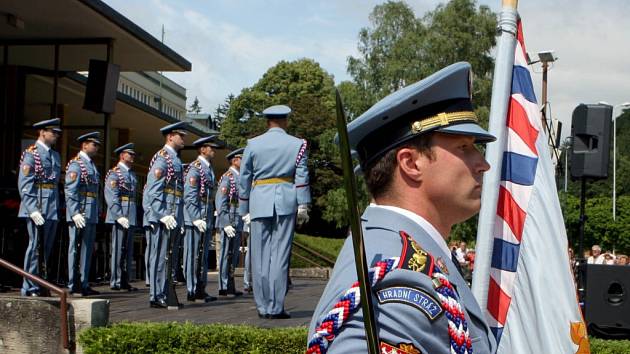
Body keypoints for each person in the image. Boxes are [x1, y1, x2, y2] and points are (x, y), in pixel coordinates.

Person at [307, 62, 497, 353]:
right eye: (464, 147)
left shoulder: (405, 253)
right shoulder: (397, 281)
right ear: (410, 163)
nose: (483, 164)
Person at [238, 104, 311, 319]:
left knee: (259, 256)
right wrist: (303, 204)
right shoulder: (298, 144)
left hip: (259, 199)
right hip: (286, 200)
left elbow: (244, 177)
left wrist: (244, 208)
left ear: (267, 121)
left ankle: (262, 307)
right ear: (285, 120)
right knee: (280, 255)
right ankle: (276, 306)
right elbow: (302, 175)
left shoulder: (253, 144)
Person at [143, 122, 188, 308]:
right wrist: (161, 214)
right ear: (170, 136)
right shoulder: (163, 158)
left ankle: (164, 291)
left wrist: (181, 218)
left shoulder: (174, 159)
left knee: (169, 256)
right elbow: (153, 190)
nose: (183, 139)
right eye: (180, 135)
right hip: (164, 214)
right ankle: (156, 294)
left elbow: (178, 191)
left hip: (174, 212)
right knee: (160, 255)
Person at [18, 118, 62, 296]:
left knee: (46, 248)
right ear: (42, 132)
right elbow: (25, 183)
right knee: (35, 246)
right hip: (38, 204)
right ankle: (29, 286)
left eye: (57, 133)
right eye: (53, 132)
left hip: (51, 205)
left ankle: (41, 282)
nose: (56, 136)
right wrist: (32, 209)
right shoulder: (32, 153)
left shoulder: (55, 155)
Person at [183, 136, 220, 303]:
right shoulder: (195, 168)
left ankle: (201, 288)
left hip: (206, 216)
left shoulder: (208, 168)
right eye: (210, 148)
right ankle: (192, 289)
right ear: (203, 149)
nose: (213, 150)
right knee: (193, 255)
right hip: (196, 218)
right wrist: (196, 217)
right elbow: (190, 196)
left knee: (203, 255)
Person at [65, 132, 101, 296]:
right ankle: (74, 283)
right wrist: (74, 213)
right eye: (94, 144)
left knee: (87, 250)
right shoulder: (77, 164)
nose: (96, 147)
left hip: (90, 210)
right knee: (76, 248)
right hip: (80, 211)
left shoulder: (91, 164)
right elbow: (71, 190)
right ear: (84, 145)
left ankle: (84, 282)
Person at [105, 143, 138, 291]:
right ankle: (116, 281)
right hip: (120, 214)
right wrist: (118, 215)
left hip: (130, 213)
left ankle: (125, 279)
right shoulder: (115, 173)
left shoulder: (131, 174)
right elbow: (112, 196)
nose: (132, 157)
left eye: (133, 154)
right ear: (122, 155)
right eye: (129, 154)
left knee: (128, 249)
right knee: (118, 248)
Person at [215, 147, 245, 297]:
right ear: (234, 161)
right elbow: (221, 201)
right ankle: (223, 285)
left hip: (237, 219)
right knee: (226, 253)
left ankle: (231, 283)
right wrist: (225, 222)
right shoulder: (228, 177)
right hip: (229, 219)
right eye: (241, 159)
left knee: (233, 255)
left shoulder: (240, 177)